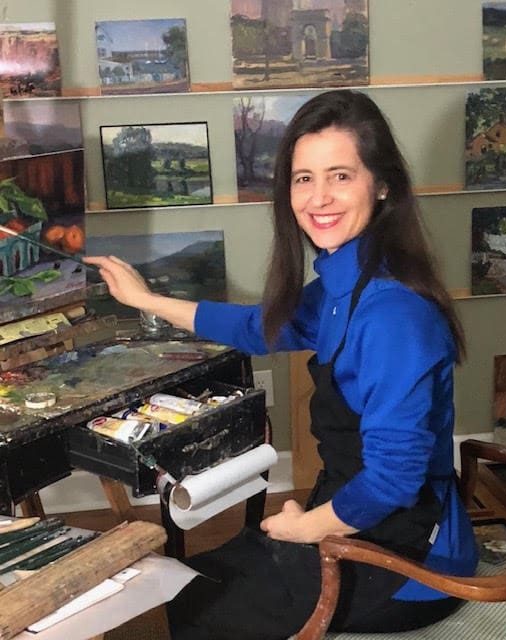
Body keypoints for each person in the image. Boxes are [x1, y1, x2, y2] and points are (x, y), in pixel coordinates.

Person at [84, 89, 478, 640]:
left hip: (410, 563)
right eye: (303, 178)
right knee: (192, 582)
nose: (319, 197)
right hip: (357, 520)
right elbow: (256, 327)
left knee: (204, 611)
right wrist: (147, 301)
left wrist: (304, 527)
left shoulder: (393, 316)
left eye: (341, 175)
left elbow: (393, 480)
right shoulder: (343, 284)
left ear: (382, 184)